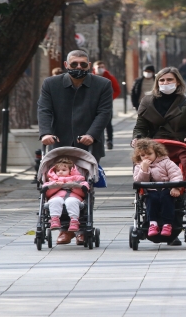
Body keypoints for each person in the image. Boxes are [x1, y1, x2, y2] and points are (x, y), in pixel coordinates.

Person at [38, 49, 113, 245]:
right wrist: (46, 133)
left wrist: (92, 134)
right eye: (74, 64)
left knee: (84, 185)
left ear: (89, 65)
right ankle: (65, 229)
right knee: (58, 185)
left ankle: (82, 228)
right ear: (66, 65)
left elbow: (104, 112)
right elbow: (44, 110)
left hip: (88, 145)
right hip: (59, 143)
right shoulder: (51, 84)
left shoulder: (102, 84)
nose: (78, 67)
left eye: (83, 64)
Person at [132, 67, 186, 246]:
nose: (165, 83)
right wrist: (137, 139)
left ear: (177, 82)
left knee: (177, 191)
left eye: (170, 80)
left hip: (178, 149)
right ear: (157, 83)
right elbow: (140, 127)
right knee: (151, 192)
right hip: (151, 150)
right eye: (162, 81)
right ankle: (150, 224)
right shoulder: (147, 102)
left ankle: (174, 230)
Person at [132, 139, 183, 237]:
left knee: (167, 198)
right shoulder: (139, 166)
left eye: (149, 154)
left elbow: (176, 175)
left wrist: (176, 187)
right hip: (150, 190)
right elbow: (139, 181)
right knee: (150, 200)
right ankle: (152, 224)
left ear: (157, 153)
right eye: (143, 155)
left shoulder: (166, 162)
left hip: (167, 189)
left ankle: (167, 224)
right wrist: (144, 169)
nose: (146, 157)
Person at [42, 158, 89, 232]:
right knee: (55, 201)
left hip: (73, 197)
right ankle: (54, 219)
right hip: (57, 197)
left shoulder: (79, 180)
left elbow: (84, 192)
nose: (60, 172)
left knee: (71, 201)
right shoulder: (52, 181)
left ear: (71, 171)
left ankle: (74, 221)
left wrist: (73, 186)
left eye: (64, 170)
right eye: (58, 170)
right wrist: (56, 186)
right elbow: (46, 193)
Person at [93, 61, 121, 150]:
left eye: (102, 66)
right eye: (98, 66)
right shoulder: (90, 77)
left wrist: (109, 99)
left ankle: (109, 141)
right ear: (94, 68)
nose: (100, 68)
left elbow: (117, 90)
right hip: (93, 105)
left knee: (108, 123)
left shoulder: (110, 77)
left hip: (106, 104)